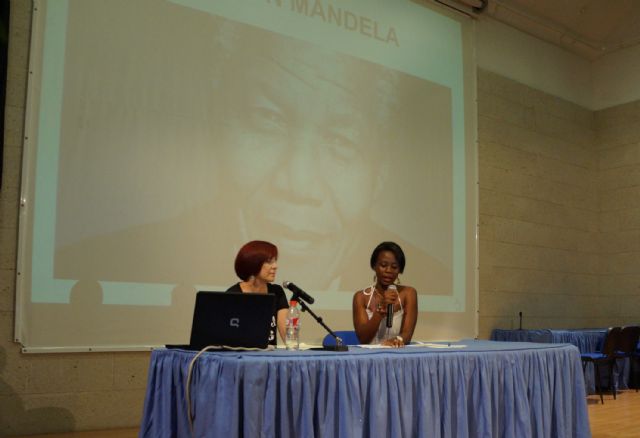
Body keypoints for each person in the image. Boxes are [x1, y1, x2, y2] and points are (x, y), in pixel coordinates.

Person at [352, 241, 417, 347]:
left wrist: (397, 340)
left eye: (394, 267)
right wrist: (380, 311)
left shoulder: (409, 293)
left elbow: (407, 334)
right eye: (383, 265)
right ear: (374, 266)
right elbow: (363, 338)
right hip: (370, 357)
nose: (388, 270)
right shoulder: (360, 297)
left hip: (397, 353)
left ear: (399, 270)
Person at [226, 240, 289, 346]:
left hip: (270, 357)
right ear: (253, 263)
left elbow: (288, 337)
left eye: (275, 261)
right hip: (244, 358)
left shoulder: (276, 292)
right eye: (269, 262)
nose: (275, 266)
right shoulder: (233, 295)